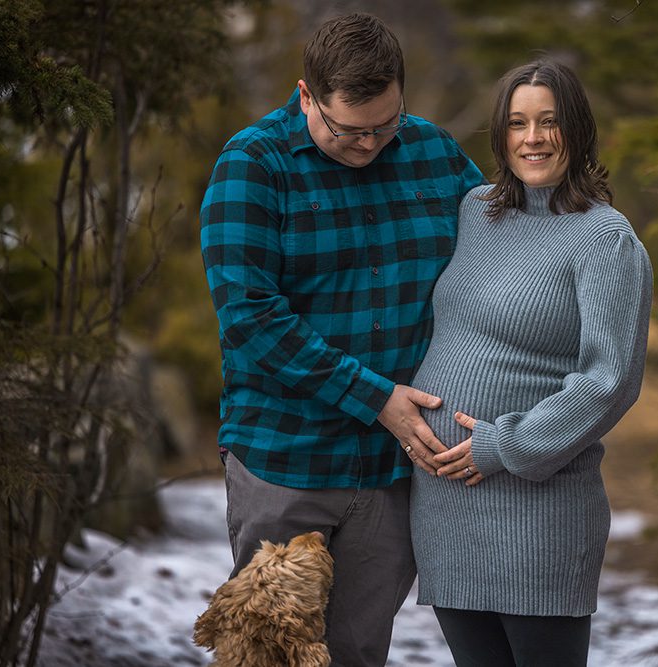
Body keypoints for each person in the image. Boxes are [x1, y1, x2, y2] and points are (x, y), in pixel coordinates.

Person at [199, 12, 484, 666]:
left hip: (389, 474)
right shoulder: (254, 165)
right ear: (306, 96)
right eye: (350, 129)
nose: (370, 144)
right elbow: (250, 318)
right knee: (268, 653)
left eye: (386, 124)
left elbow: (500, 252)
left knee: (355, 651)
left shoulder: (434, 153)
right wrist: (377, 396)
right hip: (285, 460)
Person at [408, 59, 653, 667]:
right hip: (446, 506)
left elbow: (610, 379)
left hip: (537, 512)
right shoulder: (475, 211)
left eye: (549, 122)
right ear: (501, 134)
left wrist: (507, 446)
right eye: (517, 123)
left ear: (576, 128)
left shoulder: (604, 238)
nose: (533, 138)